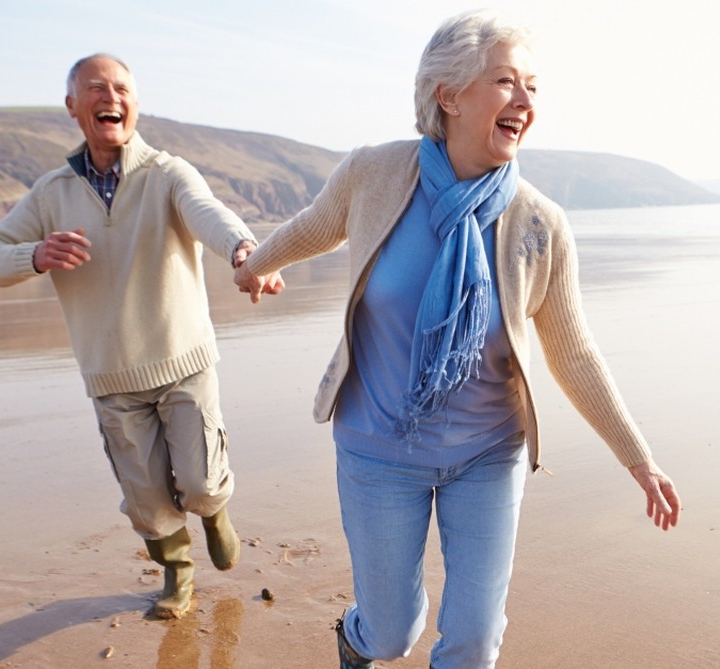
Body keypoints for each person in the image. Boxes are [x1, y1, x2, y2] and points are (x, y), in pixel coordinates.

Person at [235, 10, 680, 668]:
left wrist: (638, 458)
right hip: (378, 448)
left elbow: (574, 351)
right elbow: (313, 227)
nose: (526, 101)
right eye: (506, 81)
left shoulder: (539, 224)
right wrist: (256, 264)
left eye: (533, 85)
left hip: (486, 454)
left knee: (473, 639)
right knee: (392, 634)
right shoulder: (375, 176)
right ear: (449, 95)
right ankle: (356, 637)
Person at [0, 53, 282, 620]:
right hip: (111, 375)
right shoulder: (51, 192)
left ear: (135, 101)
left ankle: (215, 513)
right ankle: (177, 574)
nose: (111, 97)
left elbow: (209, 213)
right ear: (72, 106)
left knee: (201, 482)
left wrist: (244, 250)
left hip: (183, 360)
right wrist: (32, 254)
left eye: (122, 88)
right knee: (148, 500)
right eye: (96, 88)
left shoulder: (167, 172)